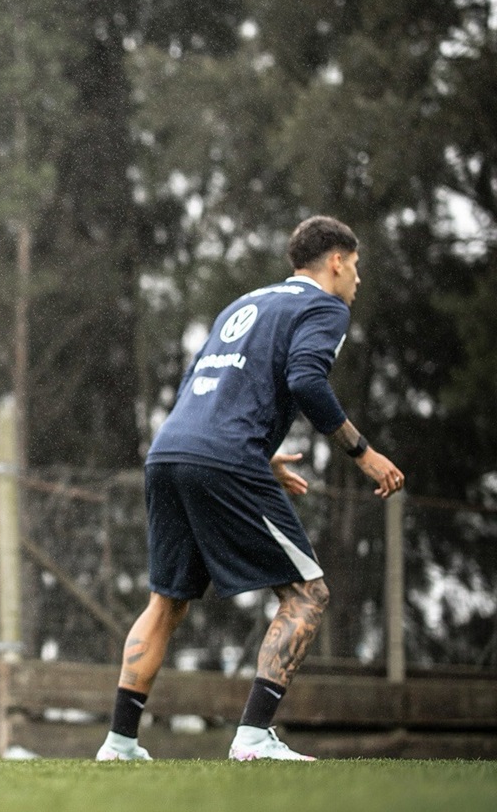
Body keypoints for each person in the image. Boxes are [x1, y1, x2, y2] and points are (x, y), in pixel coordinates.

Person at [95, 215, 405, 762]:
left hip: (170, 452)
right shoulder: (324, 307)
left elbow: (203, 383)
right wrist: (363, 452)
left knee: (165, 603)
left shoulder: (246, 303)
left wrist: (260, 456)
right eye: (355, 268)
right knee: (309, 594)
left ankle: (119, 743)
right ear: (335, 261)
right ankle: (254, 737)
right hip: (224, 457)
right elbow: (306, 380)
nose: (357, 280)